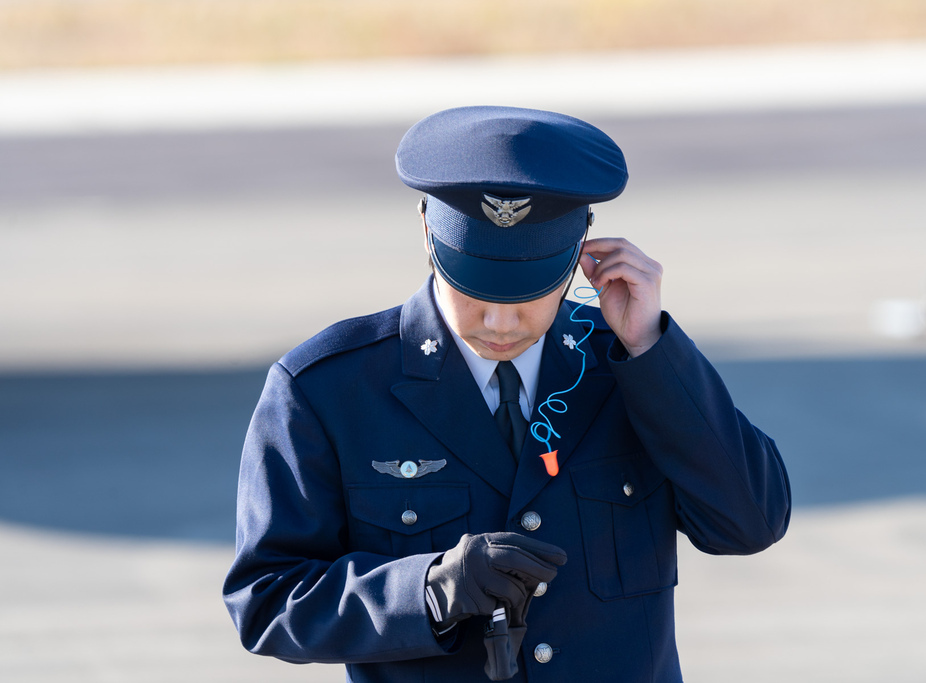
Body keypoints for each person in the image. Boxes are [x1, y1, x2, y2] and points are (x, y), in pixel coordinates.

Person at [223, 105, 791, 682]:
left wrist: (652, 350)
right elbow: (266, 600)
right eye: (473, 288)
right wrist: (429, 590)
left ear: (581, 254)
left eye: (527, 294)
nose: (498, 323)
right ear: (427, 233)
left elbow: (750, 523)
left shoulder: (631, 365)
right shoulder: (328, 388)